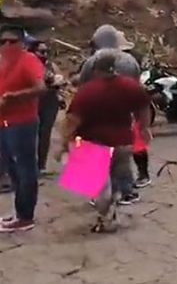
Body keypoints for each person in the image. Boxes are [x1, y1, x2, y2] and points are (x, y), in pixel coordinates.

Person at [56, 53, 152, 233]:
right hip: (123, 142)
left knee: (99, 186)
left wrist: (64, 142)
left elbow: (73, 119)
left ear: (95, 70)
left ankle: (106, 219)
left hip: (94, 143)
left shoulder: (87, 91)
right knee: (116, 179)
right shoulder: (130, 86)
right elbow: (144, 106)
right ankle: (113, 210)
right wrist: (144, 128)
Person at [78, 25, 142, 204]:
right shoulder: (130, 61)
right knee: (122, 154)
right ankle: (126, 190)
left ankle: (101, 193)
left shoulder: (92, 62)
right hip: (123, 113)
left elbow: (83, 89)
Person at [0, 24, 46, 233]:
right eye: (3, 42)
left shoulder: (28, 60)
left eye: (12, 41)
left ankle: (26, 216)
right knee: (12, 169)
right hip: (4, 123)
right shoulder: (2, 62)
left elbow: (40, 88)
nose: (7, 45)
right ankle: (19, 212)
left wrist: (14, 97)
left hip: (22, 123)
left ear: (22, 43)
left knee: (25, 168)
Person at [28, 40, 66, 176]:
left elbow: (62, 81)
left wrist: (59, 87)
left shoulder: (51, 65)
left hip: (49, 102)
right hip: (32, 101)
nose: (44, 55)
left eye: (46, 52)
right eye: (41, 51)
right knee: (31, 133)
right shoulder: (28, 65)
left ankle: (41, 165)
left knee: (45, 133)